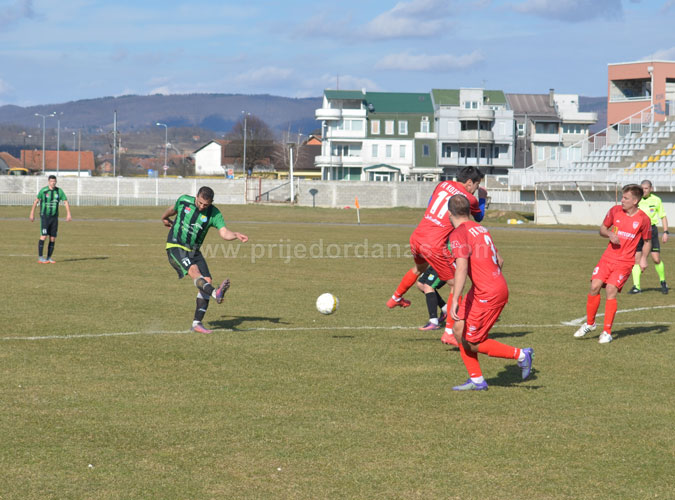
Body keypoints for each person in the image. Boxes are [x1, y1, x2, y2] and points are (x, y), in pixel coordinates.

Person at [447, 194, 533, 391]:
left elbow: (461, 268)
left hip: (487, 292)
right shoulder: (480, 228)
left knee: (472, 342)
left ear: (449, 213)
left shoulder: (459, 233)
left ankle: (521, 355)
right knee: (458, 330)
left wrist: (455, 299)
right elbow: (500, 261)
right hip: (486, 288)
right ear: (469, 211)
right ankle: (477, 380)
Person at [386, 167, 486, 311]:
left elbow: (430, 203)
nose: (476, 189)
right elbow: (479, 217)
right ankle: (451, 325)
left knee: (419, 268)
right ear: (469, 182)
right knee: (456, 283)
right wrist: (482, 198)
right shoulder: (469, 198)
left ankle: (396, 298)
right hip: (434, 243)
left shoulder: (443, 184)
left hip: (417, 237)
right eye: (477, 185)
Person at [162, 186, 248, 334]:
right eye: (200, 203)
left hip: (194, 251)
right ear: (196, 197)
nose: (202, 207)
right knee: (194, 271)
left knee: (207, 280)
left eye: (206, 205)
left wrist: (235, 235)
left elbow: (224, 233)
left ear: (211, 202)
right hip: (176, 246)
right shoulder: (184, 201)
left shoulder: (214, 213)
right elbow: (172, 209)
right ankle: (216, 293)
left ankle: (197, 323)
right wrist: (164, 217)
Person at [574, 184, 652, 344]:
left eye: (626, 198)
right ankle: (590, 323)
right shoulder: (615, 211)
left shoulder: (643, 219)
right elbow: (602, 229)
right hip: (607, 258)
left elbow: (647, 241)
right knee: (594, 286)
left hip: (625, 261)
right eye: (622, 197)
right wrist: (610, 234)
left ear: (635, 201)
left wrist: (644, 258)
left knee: (611, 289)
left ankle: (607, 332)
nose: (622, 200)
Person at [629, 180, 669, 295]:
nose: (644, 190)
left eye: (646, 188)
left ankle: (663, 282)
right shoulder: (636, 199)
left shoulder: (656, 200)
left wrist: (665, 232)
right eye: (642, 188)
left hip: (652, 230)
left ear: (651, 189)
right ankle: (636, 287)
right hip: (638, 231)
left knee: (656, 258)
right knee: (636, 259)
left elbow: (663, 216)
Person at [29, 175, 72, 263]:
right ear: (48, 182)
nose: (53, 183)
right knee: (44, 236)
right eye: (51, 181)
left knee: (52, 238)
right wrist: (32, 213)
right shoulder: (44, 191)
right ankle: (40, 257)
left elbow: (65, 201)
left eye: (54, 181)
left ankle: (49, 258)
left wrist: (68, 213)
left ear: (56, 182)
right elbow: (36, 201)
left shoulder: (59, 191)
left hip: (54, 217)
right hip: (45, 216)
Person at [416, 265, 448, 331]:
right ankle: (445, 309)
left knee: (428, 287)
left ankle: (434, 322)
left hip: (444, 264)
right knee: (421, 284)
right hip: (435, 263)